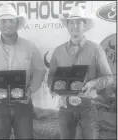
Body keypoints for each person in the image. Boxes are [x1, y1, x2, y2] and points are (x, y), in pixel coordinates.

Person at [0, 3, 46, 139]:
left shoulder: (29, 46)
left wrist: (30, 91)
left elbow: (39, 70)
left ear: (17, 23)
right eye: (3, 21)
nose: (7, 24)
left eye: (11, 21)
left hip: (23, 104)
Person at [47, 6, 113, 139]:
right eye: (71, 22)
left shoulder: (96, 49)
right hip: (65, 106)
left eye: (78, 22)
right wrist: (52, 88)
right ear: (67, 26)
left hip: (88, 106)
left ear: (85, 26)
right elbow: (51, 77)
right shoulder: (58, 51)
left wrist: (92, 83)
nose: (75, 26)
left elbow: (109, 77)